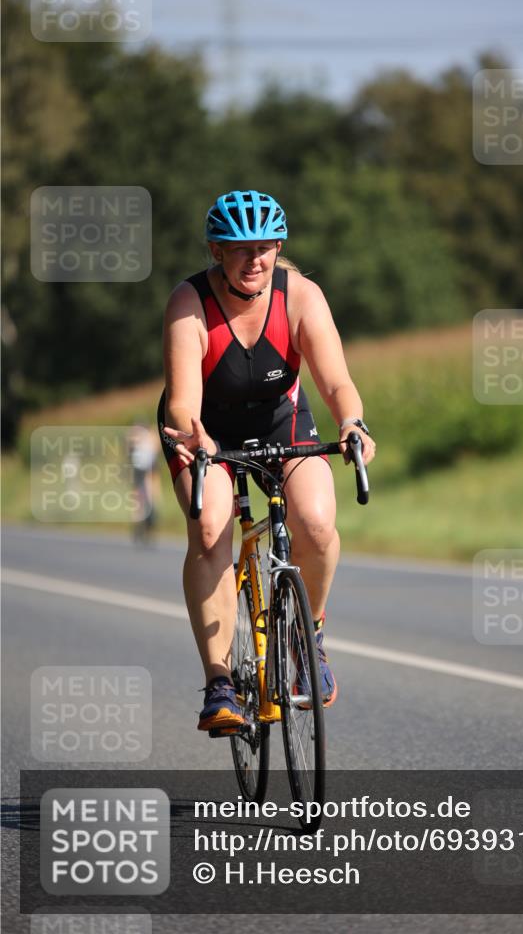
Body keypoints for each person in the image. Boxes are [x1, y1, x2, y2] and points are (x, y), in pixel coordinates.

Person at [157, 190, 375, 732]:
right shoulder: (189, 303)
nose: (254, 260)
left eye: (265, 247)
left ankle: (311, 638)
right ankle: (220, 684)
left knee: (317, 523)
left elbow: (337, 382)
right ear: (216, 251)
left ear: (278, 248)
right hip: (204, 432)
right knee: (210, 528)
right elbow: (183, 398)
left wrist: (352, 422)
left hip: (284, 424)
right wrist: (194, 435)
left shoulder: (300, 296)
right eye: (239, 249)